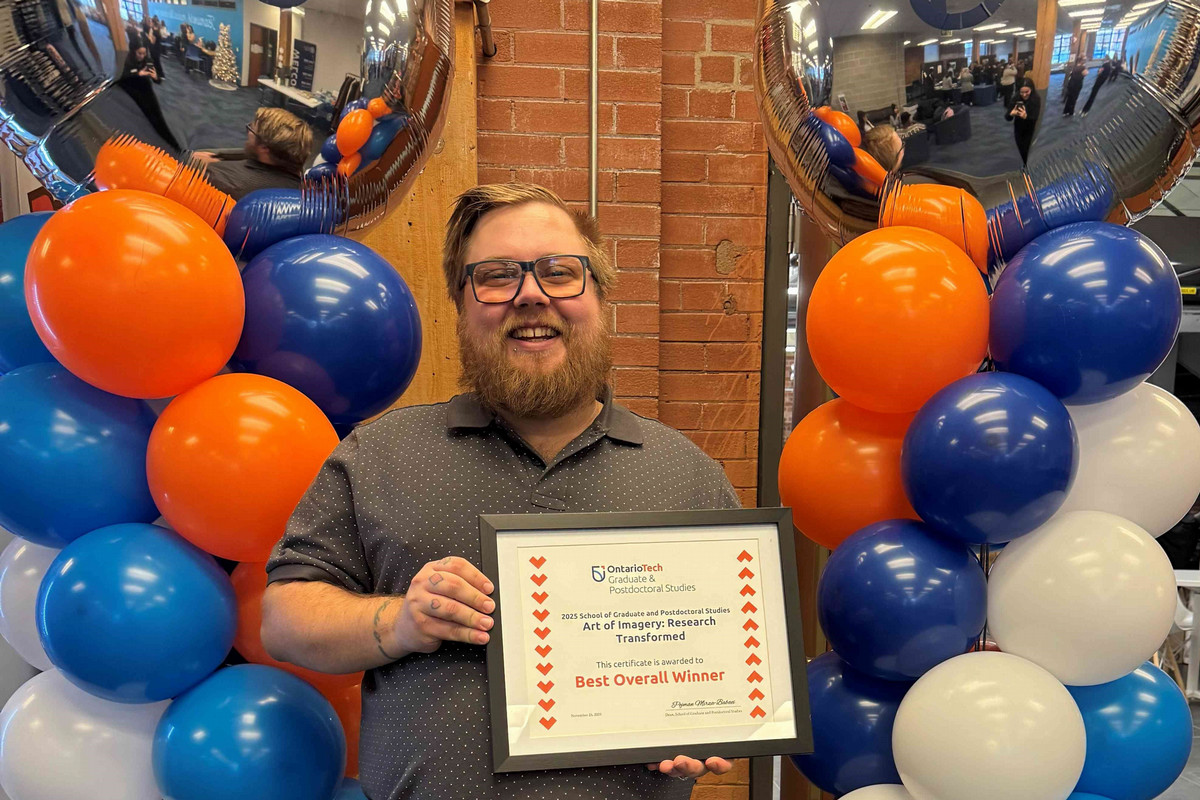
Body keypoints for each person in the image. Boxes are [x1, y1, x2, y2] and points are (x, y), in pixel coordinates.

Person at [259, 183, 739, 800]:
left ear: (600, 295)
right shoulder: (379, 454)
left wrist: (710, 716)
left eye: (560, 272)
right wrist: (400, 621)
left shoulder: (687, 474)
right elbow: (283, 618)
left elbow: (726, 656)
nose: (531, 294)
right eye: (496, 276)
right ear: (462, 305)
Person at [193, 107, 313, 199]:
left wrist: (199, 166)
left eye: (251, 129)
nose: (248, 132)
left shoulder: (218, 178)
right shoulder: (304, 191)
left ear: (264, 148)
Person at [116, 45, 181, 151]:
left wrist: (155, 77)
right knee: (142, 121)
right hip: (133, 93)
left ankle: (172, 146)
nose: (142, 56)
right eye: (139, 53)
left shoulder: (148, 61)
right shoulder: (127, 61)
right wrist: (138, 74)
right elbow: (121, 78)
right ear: (134, 52)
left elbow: (157, 81)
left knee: (158, 118)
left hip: (147, 92)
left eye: (144, 53)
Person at [1007, 79, 1041, 166]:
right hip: (1018, 127)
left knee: (1027, 148)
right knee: (1020, 148)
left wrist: (1026, 117)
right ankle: (1024, 163)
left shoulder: (1036, 98)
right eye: (1022, 92)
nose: (1024, 94)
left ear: (1031, 89)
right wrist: (1011, 114)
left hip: (1030, 128)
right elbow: (1007, 118)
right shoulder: (1016, 97)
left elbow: (1035, 117)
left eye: (1027, 92)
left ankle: (1027, 166)